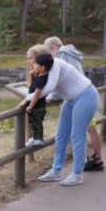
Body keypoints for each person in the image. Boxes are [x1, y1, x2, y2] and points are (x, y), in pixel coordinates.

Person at [32, 54, 100, 186]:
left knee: (77, 136)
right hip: (70, 100)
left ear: (42, 64)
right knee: (61, 136)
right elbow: (43, 89)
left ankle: (77, 174)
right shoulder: (44, 71)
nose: (30, 63)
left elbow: (50, 87)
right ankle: (56, 170)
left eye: (32, 60)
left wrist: (28, 100)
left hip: (85, 96)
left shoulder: (56, 64)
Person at [19, 52, 50, 147]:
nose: (32, 65)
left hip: (36, 106)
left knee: (34, 123)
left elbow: (36, 94)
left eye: (36, 64)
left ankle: (37, 139)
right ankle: (39, 138)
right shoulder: (44, 76)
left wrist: (30, 105)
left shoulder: (40, 80)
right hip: (41, 105)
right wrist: (32, 74)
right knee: (38, 123)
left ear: (42, 67)